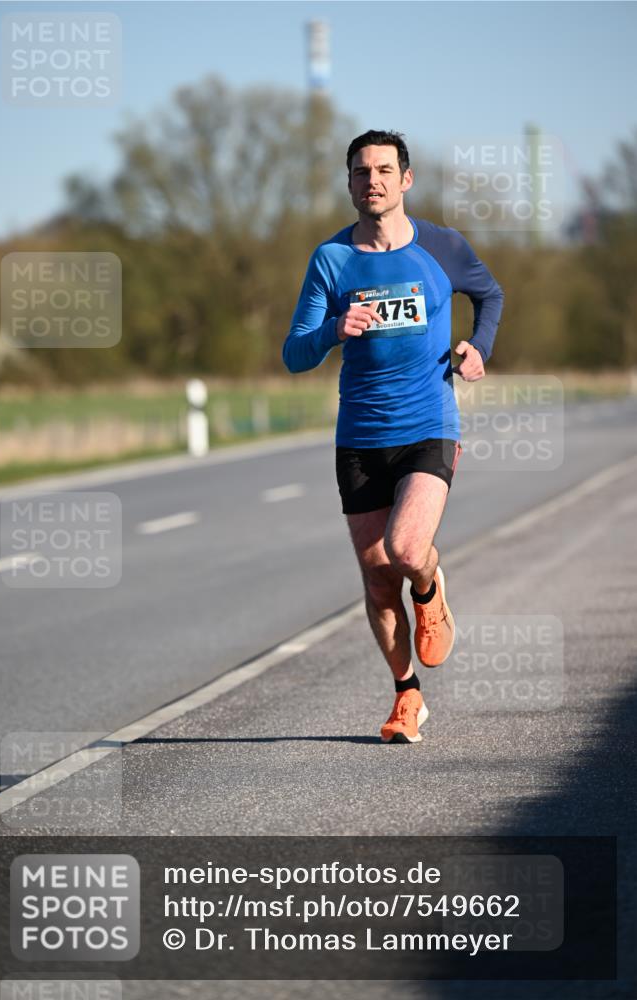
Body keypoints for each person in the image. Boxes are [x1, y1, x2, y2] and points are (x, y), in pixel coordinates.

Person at [283, 130, 504, 743]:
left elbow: (489, 294)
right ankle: (407, 697)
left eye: (383, 170)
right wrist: (333, 329)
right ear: (349, 183)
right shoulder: (331, 260)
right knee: (378, 577)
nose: (371, 181)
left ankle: (431, 588)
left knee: (407, 551)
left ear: (406, 180)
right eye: (360, 172)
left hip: (428, 424)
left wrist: (478, 349)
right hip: (359, 435)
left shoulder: (442, 246)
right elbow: (293, 354)